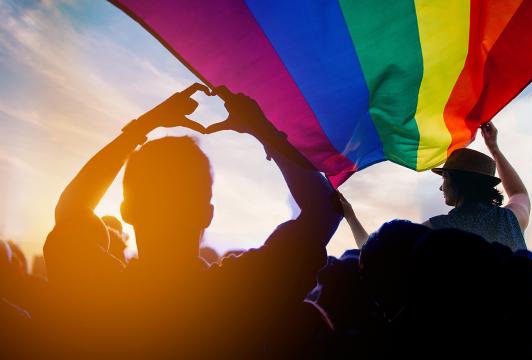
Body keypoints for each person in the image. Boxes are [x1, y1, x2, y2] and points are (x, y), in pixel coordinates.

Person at [42, 83, 342, 357]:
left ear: (127, 210)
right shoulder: (241, 293)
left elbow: (71, 210)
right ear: (207, 214)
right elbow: (323, 211)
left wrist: (141, 128)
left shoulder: (103, 294)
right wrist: (262, 129)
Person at [425, 122, 530, 251]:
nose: (441, 188)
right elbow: (519, 194)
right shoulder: (510, 220)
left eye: (444, 178)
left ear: (457, 182)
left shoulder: (434, 230)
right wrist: (494, 148)